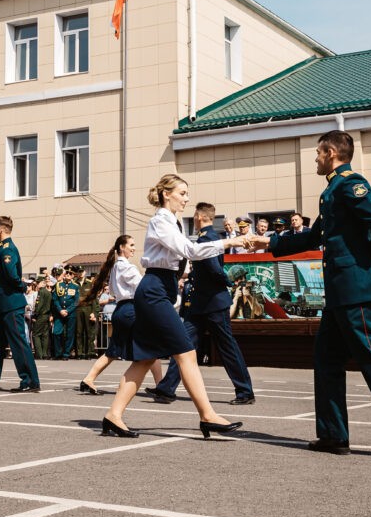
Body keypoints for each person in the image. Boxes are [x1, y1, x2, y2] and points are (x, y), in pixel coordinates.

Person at [266, 131, 371, 459]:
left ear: (330, 152)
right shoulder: (333, 189)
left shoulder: (351, 183)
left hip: (354, 288)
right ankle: (333, 435)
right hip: (341, 291)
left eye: (317, 152)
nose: (315, 158)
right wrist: (270, 244)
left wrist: (368, 264)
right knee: (326, 359)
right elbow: (315, 237)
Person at [99, 174, 251, 440]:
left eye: (187, 194)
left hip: (160, 289)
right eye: (182, 193)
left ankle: (113, 416)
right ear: (166, 194)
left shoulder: (173, 221)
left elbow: (180, 259)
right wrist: (229, 242)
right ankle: (207, 415)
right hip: (154, 291)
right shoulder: (160, 220)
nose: (187, 198)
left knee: (146, 358)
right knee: (187, 352)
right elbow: (189, 251)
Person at [152, 202, 255, 405]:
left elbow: (214, 269)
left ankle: (245, 391)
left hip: (214, 303)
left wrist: (228, 281)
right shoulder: (208, 237)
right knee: (183, 345)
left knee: (227, 347)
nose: (195, 220)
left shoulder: (208, 238)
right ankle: (166, 388)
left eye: (195, 217)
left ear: (200, 217)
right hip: (201, 303)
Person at [76, 235, 163, 395]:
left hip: (121, 309)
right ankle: (161, 386)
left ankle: (89, 378)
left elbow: (114, 291)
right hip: (131, 310)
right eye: (131, 244)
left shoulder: (116, 267)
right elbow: (142, 287)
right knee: (151, 347)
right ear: (122, 247)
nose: (134, 248)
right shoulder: (127, 267)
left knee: (113, 350)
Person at [0, 216, 40, 392]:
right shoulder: (4, 249)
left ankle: (30, 381)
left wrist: (22, 286)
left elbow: (11, 276)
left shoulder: (7, 250)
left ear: (0, 229)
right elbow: (1, 275)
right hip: (6, 305)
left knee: (18, 343)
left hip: (11, 303)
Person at [50, 269, 79, 360]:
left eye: (70, 273)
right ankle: (58, 353)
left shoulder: (75, 286)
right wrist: (60, 310)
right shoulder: (58, 285)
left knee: (69, 334)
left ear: (73, 276)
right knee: (56, 332)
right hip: (59, 313)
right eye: (66, 273)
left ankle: (66, 354)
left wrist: (67, 311)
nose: (68, 275)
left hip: (70, 313)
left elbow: (76, 301)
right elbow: (55, 299)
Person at [74, 267, 98, 360]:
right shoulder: (74, 283)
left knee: (89, 332)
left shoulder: (90, 283)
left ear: (84, 272)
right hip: (78, 309)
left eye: (81, 272)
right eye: (78, 272)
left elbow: (94, 299)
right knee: (79, 332)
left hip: (88, 309)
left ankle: (89, 352)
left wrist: (94, 313)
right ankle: (79, 353)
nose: (80, 274)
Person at [30, 279, 52, 358]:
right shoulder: (48, 293)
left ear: (42, 284)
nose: (37, 285)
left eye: (38, 283)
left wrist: (35, 314)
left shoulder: (41, 292)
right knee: (45, 335)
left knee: (36, 334)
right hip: (46, 315)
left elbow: (39, 304)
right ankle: (45, 354)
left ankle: (39, 354)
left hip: (41, 316)